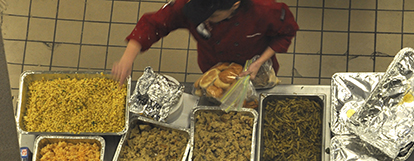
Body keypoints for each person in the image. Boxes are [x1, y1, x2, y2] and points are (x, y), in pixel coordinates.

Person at [112, 0, 298, 84]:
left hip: (257, 70)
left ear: (235, 5)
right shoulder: (189, 5)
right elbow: (154, 23)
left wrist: (259, 62)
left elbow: (286, 32)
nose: (204, 21)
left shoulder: (264, 9)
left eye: (213, 16)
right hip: (213, 67)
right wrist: (128, 57)